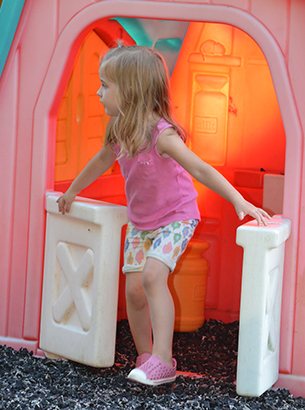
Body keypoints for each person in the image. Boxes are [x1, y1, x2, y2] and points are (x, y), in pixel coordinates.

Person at [57, 45, 270, 387]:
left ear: (130, 91)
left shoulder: (162, 135)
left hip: (176, 217)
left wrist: (238, 199)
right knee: (134, 293)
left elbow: (200, 168)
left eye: (105, 86)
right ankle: (145, 359)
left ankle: (163, 359)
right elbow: (100, 161)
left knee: (154, 277)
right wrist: (71, 191)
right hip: (142, 222)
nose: (98, 92)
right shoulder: (118, 129)